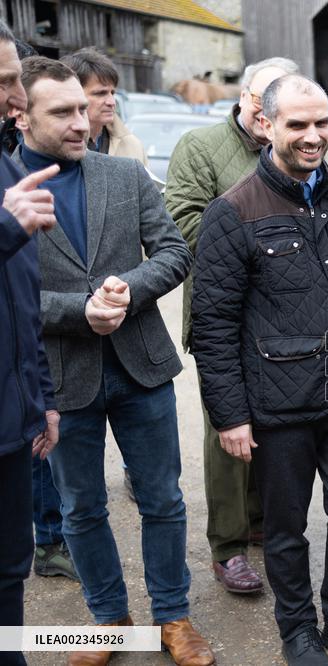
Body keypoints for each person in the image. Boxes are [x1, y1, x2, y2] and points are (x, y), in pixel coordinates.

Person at [13, 57, 212, 666]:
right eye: (63, 112)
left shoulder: (125, 175)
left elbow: (176, 251)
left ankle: (173, 619)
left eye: (83, 107)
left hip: (141, 368)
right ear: (21, 115)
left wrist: (128, 286)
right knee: (81, 508)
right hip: (59, 377)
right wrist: (80, 310)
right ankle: (109, 623)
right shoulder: (6, 194)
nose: (83, 121)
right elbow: (6, 291)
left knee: (163, 500)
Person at [192, 74, 328, 666]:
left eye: (321, 124)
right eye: (298, 124)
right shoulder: (233, 212)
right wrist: (229, 415)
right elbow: (214, 325)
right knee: (284, 528)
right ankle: (297, 628)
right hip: (280, 407)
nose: (312, 136)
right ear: (267, 125)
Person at [165, 56, 298, 596]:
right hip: (224, 314)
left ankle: (262, 520)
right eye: (263, 101)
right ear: (245, 97)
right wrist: (261, 242)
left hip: (286, 319)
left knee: (276, 424)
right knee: (228, 431)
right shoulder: (200, 148)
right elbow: (181, 223)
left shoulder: (294, 148)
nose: (269, 113)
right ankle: (228, 547)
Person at [0, 21, 60, 666]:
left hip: (13, 422)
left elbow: (21, 300)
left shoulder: (7, 162)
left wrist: (39, 396)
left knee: (10, 569)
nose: (19, 96)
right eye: (7, 81)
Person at [60, 47, 146, 164]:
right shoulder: (55, 145)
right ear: (72, 93)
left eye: (112, 93)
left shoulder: (132, 146)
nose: (112, 102)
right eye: (100, 93)